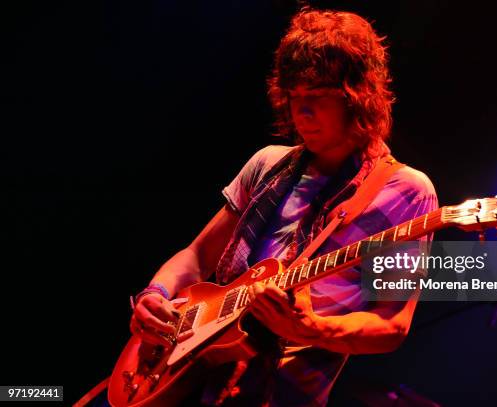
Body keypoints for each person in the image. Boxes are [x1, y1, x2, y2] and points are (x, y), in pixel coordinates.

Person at [130, 8, 437, 406]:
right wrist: (156, 293)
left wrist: (312, 329)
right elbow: (195, 256)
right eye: (294, 98)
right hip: (188, 372)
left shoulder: (406, 192)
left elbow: (392, 324)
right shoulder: (268, 164)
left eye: (318, 98)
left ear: (358, 97)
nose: (300, 113)